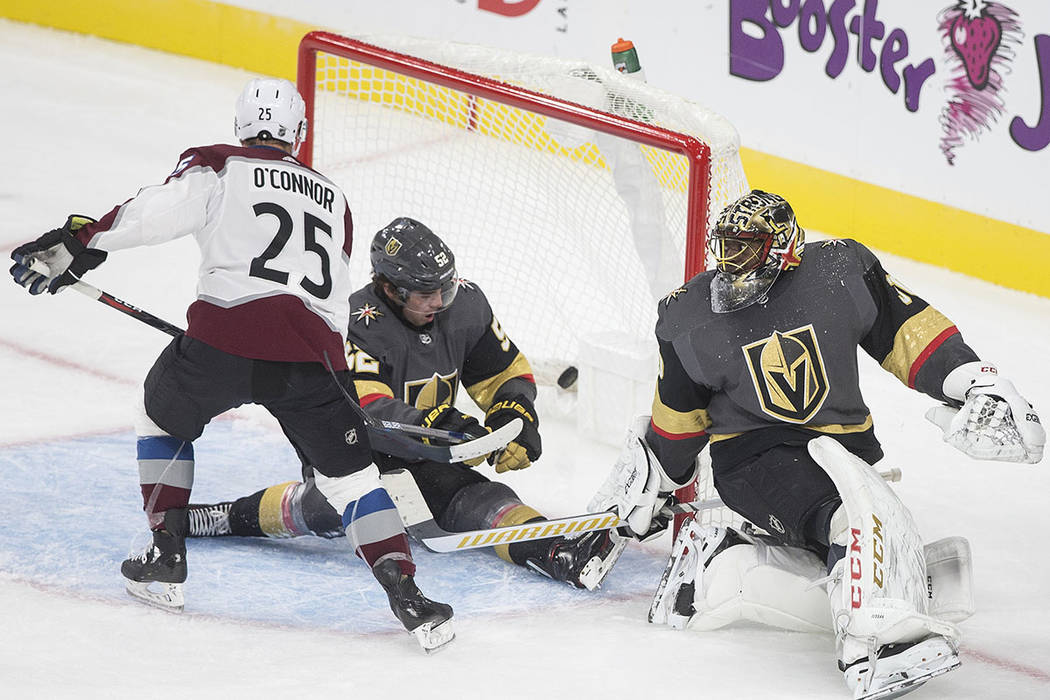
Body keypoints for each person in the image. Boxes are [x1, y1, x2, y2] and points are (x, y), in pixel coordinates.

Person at [8, 78, 454, 651]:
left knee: (162, 419)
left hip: (221, 342)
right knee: (351, 481)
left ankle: (166, 558)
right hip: (312, 357)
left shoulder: (219, 165)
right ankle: (413, 602)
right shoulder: (335, 199)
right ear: (298, 133)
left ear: (241, 126)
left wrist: (80, 244)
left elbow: (151, 214)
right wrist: (334, 382)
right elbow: (332, 297)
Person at [591, 190, 1044, 699]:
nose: (732, 265)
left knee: (872, 534)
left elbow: (908, 335)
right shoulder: (687, 317)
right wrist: (659, 481)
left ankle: (725, 568)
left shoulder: (840, 271)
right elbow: (679, 422)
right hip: (754, 458)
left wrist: (970, 381)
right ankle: (870, 645)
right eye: (726, 248)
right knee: (852, 525)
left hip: (844, 453)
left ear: (784, 248)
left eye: (748, 249)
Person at [185, 216, 625, 590]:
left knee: (457, 491)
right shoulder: (355, 322)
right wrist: (444, 427)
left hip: (431, 447)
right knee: (334, 506)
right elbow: (371, 412)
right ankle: (227, 517)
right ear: (390, 289)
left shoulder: (465, 304)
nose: (439, 302)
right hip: (356, 449)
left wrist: (515, 410)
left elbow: (503, 371)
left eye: (445, 288)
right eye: (425, 293)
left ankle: (553, 547)